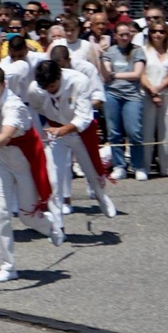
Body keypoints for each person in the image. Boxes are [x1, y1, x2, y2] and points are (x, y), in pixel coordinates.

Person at [0, 64, 64, 282]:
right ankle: (8, 265)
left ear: (4, 85)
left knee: (27, 216)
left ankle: (51, 226)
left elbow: (6, 135)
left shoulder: (14, 105)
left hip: (23, 161)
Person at [28, 57, 116, 217]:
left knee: (92, 172)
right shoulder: (34, 89)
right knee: (53, 176)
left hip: (79, 131)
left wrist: (63, 129)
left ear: (59, 76)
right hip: (54, 132)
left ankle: (101, 196)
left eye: (52, 86)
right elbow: (36, 110)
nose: (49, 90)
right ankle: (57, 219)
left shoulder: (79, 81)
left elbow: (84, 117)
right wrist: (43, 134)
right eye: (45, 87)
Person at [101, 22, 147, 180]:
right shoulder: (109, 52)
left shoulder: (137, 51)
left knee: (134, 131)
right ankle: (119, 165)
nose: (125, 37)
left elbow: (137, 74)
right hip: (112, 94)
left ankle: (138, 165)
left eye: (128, 34)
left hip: (132, 96)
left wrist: (114, 75)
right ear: (115, 36)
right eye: (121, 35)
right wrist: (100, 56)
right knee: (114, 132)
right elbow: (106, 75)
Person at [139, 25, 168, 178]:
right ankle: (145, 166)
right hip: (147, 94)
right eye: (154, 31)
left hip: (166, 94)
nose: (158, 34)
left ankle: (167, 166)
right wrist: (152, 90)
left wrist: (159, 89)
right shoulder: (143, 50)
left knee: (166, 132)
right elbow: (141, 74)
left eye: (161, 31)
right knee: (147, 132)